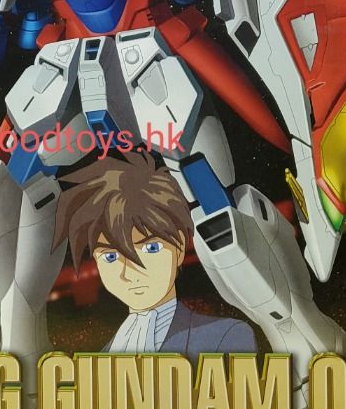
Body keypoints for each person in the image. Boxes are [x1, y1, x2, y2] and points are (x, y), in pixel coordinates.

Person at [53, 150, 258, 359]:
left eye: (150, 248)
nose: (129, 272)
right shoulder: (103, 355)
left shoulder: (223, 336)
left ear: (179, 247)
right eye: (110, 257)